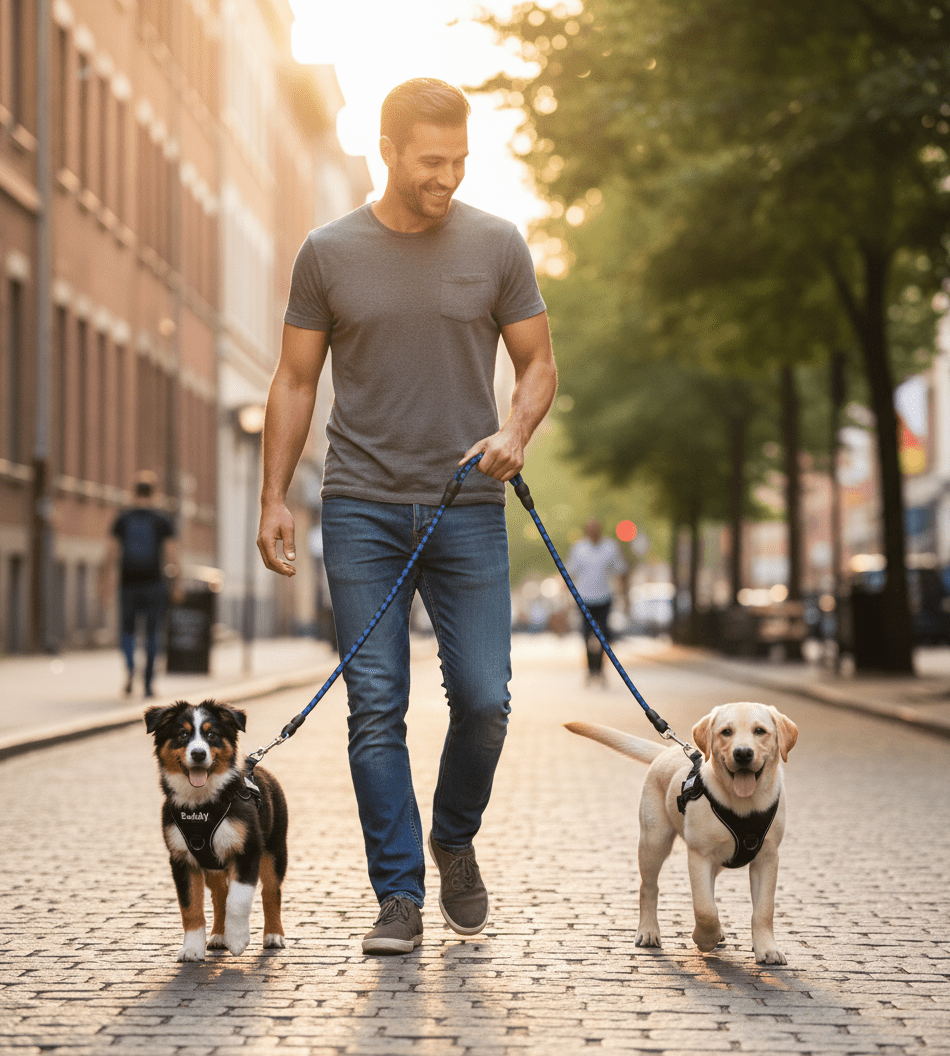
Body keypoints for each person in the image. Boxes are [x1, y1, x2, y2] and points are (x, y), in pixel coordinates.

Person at [256, 78, 557, 955]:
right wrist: (275, 496)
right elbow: (296, 380)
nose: (448, 176)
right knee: (375, 705)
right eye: (432, 161)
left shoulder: (497, 244)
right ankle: (398, 896)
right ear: (386, 152)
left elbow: (538, 362)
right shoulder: (328, 252)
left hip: (468, 504)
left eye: (460, 159)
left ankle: (453, 835)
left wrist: (516, 429)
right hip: (359, 509)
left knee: (484, 700)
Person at [102, 471, 178, 698]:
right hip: (154, 584)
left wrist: (106, 583)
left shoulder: (122, 519)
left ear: (133, 493)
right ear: (154, 493)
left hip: (128, 584)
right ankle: (147, 683)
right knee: (153, 634)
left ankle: (130, 669)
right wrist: (176, 584)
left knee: (127, 631)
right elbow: (173, 556)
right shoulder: (162, 520)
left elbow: (111, 554)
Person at [567, 519, 628, 683]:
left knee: (603, 634)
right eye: (590, 528)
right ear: (586, 530)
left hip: (605, 597)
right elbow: (570, 572)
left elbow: (620, 570)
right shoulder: (578, 548)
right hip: (584, 598)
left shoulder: (611, 547)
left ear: (600, 530)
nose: (593, 531)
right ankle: (590, 669)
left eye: (596, 528)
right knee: (586, 634)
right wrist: (567, 598)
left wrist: (624, 595)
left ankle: (600, 669)